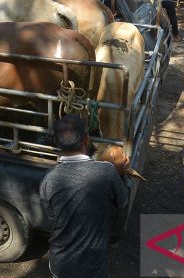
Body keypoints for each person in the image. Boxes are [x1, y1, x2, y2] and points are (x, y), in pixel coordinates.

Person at [40, 114, 129, 278]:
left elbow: (52, 215)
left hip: (60, 266)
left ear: (57, 143)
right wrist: (121, 174)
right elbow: (123, 202)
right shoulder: (107, 172)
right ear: (86, 139)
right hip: (94, 268)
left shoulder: (48, 180)